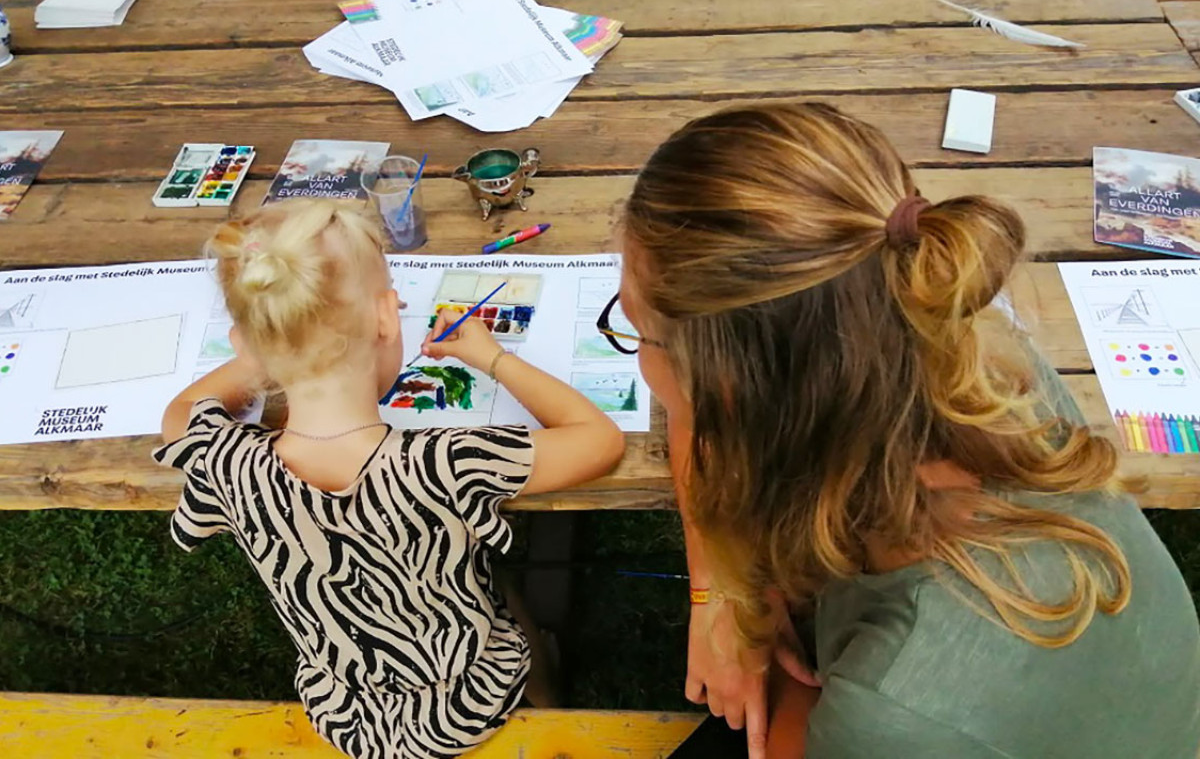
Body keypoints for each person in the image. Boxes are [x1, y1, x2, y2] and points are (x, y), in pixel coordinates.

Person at [607, 103, 1200, 758]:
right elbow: (709, 406)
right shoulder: (971, 360)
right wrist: (720, 593)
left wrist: (744, 612)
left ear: (746, 394)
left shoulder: (894, 707)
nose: (638, 355)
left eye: (640, 333)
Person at [155, 200, 624, 759]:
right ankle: (545, 689)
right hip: (467, 701)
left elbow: (181, 411)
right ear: (385, 319)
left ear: (247, 342)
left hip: (344, 710)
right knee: (504, 600)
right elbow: (599, 440)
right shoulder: (442, 464)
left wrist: (275, 346)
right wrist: (494, 358)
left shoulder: (228, 464)